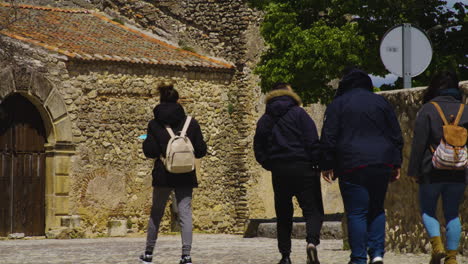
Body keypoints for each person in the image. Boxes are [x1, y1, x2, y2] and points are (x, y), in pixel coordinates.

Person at [320, 68, 403, 264]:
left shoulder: (337, 104)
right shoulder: (381, 102)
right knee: (376, 208)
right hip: (382, 161)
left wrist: (327, 163)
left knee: (357, 212)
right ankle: (377, 254)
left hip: (351, 163)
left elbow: (329, 137)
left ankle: (358, 258)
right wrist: (396, 162)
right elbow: (396, 134)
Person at [254, 83, 324, 264]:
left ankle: (285, 256)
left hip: (280, 170)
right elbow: (312, 140)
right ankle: (311, 243)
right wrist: (316, 163)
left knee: (284, 214)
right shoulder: (300, 114)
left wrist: (270, 164)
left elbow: (259, 148)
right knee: (312, 210)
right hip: (304, 167)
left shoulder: (265, 119)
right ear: (290, 94)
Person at [140, 85, 207, 264]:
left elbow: (151, 151)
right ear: (178, 101)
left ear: (161, 101)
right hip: (186, 174)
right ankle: (186, 255)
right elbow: (201, 151)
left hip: (163, 174)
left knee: (156, 213)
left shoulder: (154, 124)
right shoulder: (191, 123)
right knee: (185, 213)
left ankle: (148, 253)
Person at [408, 71, 467, 264]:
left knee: (427, 209)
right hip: (458, 170)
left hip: (431, 169)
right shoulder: (465, 110)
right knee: (452, 213)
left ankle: (437, 246)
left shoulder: (428, 109)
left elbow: (418, 144)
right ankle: (451, 258)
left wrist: (413, 171)